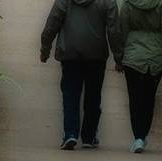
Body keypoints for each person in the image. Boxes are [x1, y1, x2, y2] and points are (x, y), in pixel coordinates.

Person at [41, 0, 123, 151]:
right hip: (96, 55)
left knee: (70, 94)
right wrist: (119, 57)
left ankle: (70, 134)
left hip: (70, 53)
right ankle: (89, 136)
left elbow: (52, 23)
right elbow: (114, 30)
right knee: (93, 95)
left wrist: (45, 49)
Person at [119, 0, 162, 154]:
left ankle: (138, 137)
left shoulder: (128, 3)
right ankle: (142, 135)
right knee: (149, 98)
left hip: (133, 56)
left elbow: (122, 30)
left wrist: (118, 56)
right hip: (156, 57)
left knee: (135, 98)